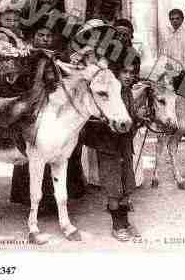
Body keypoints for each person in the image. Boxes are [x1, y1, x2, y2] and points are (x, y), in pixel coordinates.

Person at [9, 13, 86, 210]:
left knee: (66, 142)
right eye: (41, 35)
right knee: (33, 143)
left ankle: (62, 195)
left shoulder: (58, 55)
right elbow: (19, 78)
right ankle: (32, 199)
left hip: (55, 101)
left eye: (48, 36)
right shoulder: (27, 54)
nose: (44, 39)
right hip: (33, 101)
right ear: (33, 37)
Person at [80, 50, 143, 242]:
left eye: (132, 73)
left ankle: (125, 221)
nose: (129, 76)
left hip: (124, 145)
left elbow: (129, 118)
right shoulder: (108, 92)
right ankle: (117, 224)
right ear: (116, 72)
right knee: (113, 186)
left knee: (127, 183)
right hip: (108, 145)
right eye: (124, 72)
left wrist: (139, 119)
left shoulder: (127, 92)